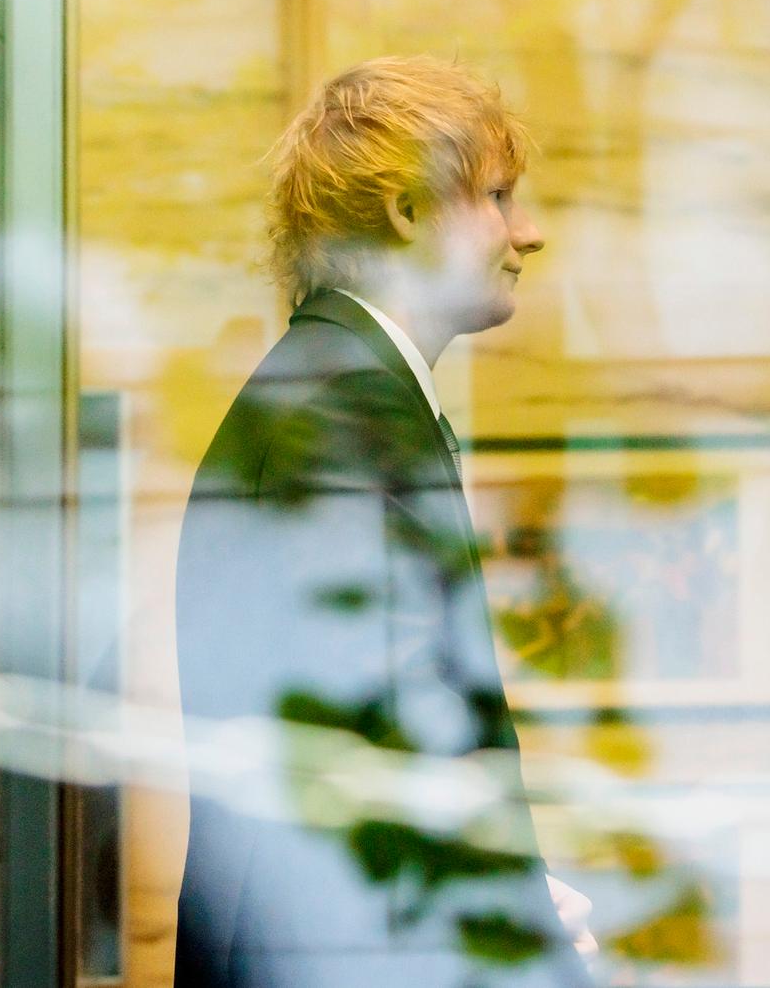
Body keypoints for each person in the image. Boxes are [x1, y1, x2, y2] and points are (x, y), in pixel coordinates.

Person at [172, 56, 595, 988]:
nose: (529, 232)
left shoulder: (335, 390)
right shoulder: (339, 410)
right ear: (408, 212)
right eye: (496, 194)